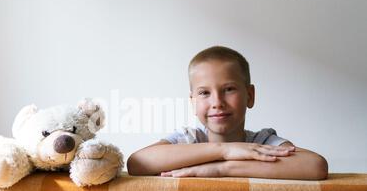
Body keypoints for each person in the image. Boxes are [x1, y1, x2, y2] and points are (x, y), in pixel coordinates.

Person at [127, 46, 328, 180]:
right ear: (193, 103)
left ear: (249, 96)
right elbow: (136, 163)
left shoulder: (262, 142)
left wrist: (221, 168)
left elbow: (315, 166)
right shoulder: (189, 139)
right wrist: (225, 150)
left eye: (229, 89)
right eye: (205, 93)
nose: (217, 102)